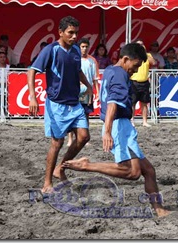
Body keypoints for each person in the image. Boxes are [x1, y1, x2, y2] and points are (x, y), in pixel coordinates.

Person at [62, 42, 171, 217]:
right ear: (126, 59)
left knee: (149, 171)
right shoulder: (120, 75)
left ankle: (159, 210)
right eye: (135, 66)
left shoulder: (111, 70)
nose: (135, 71)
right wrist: (107, 131)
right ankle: (86, 165)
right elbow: (113, 103)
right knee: (133, 172)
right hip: (119, 127)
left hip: (122, 126)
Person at [27, 16, 93, 194]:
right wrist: (32, 97)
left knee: (84, 137)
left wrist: (88, 85)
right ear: (60, 32)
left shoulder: (75, 52)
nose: (74, 37)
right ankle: (47, 183)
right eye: (71, 33)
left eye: (76, 33)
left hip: (74, 103)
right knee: (57, 143)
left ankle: (60, 168)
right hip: (56, 104)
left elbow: (78, 70)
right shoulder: (51, 50)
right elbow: (31, 71)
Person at [67, 38, 100, 146]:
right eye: (83, 47)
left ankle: (85, 138)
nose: (85, 49)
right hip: (75, 90)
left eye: (86, 46)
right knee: (73, 114)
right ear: (79, 47)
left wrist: (97, 92)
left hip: (87, 91)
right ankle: (70, 139)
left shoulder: (92, 60)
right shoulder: (74, 59)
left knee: (86, 115)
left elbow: (95, 78)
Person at [130, 39, 156, 127]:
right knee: (132, 103)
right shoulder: (132, 55)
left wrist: (144, 53)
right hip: (134, 82)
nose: (140, 46)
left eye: (142, 45)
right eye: (138, 45)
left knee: (144, 103)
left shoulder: (147, 55)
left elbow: (154, 62)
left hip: (144, 82)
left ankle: (144, 121)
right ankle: (131, 120)